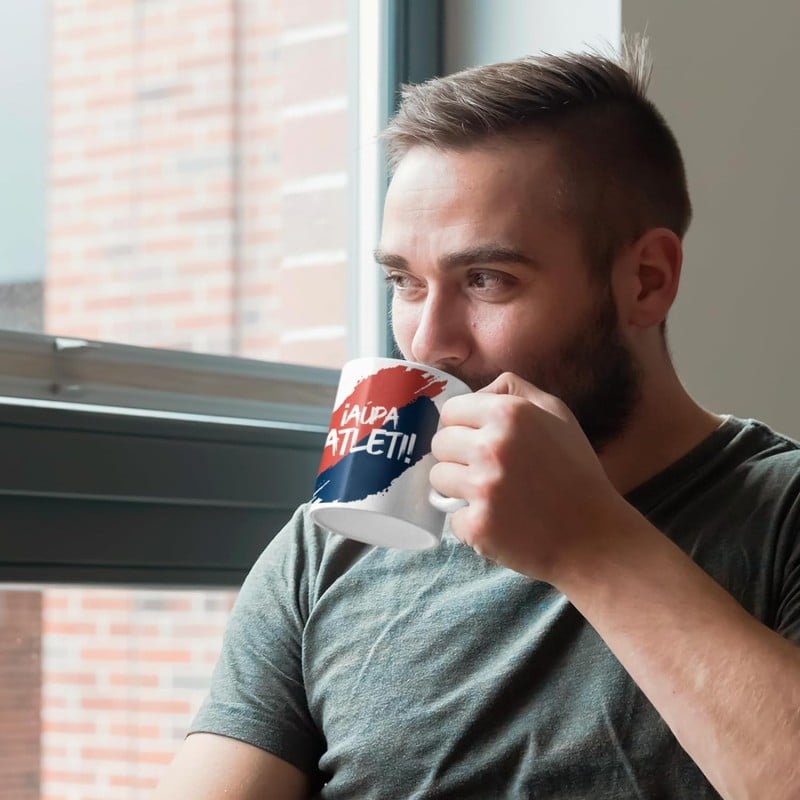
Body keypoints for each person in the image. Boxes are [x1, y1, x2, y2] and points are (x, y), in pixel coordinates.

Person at [154, 38, 800, 799]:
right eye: (405, 281)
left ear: (646, 283)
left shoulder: (782, 514)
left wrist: (592, 544)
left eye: (486, 279)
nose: (429, 339)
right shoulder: (324, 550)